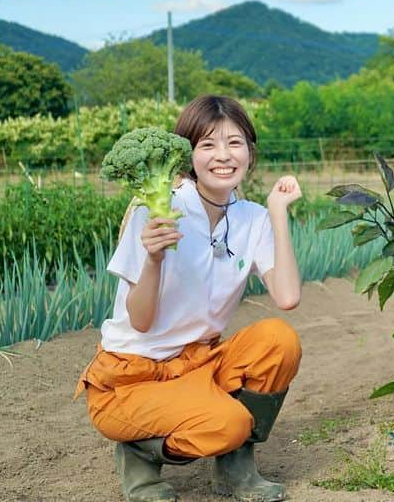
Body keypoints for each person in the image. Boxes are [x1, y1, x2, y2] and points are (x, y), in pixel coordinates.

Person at [75, 95, 304, 502]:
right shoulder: (157, 209)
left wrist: (278, 211)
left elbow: (286, 296)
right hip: (131, 378)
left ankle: (235, 471)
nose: (223, 156)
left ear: (250, 153)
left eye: (235, 143)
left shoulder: (251, 217)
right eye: (208, 144)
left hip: (196, 363)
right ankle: (138, 452)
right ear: (188, 154)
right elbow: (140, 321)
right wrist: (154, 258)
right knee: (230, 423)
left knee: (278, 341)